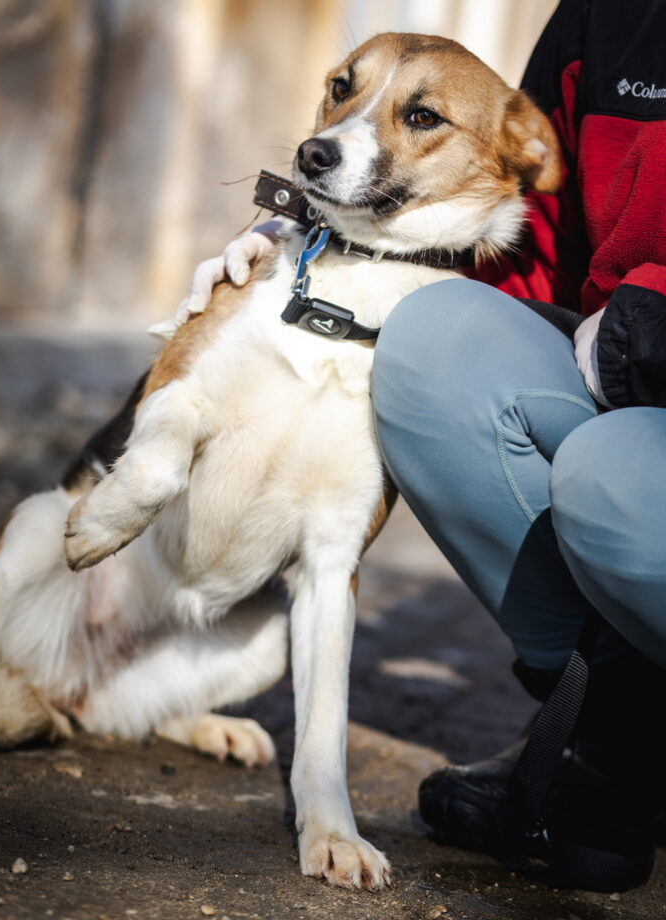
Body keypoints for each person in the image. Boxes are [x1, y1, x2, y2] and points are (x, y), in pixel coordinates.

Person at [175, 0, 666, 892]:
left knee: (614, 475)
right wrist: (304, 252)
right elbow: (524, 226)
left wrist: (653, 322)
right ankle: (615, 737)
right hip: (619, 380)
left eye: (417, 114)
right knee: (435, 338)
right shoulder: (608, 18)